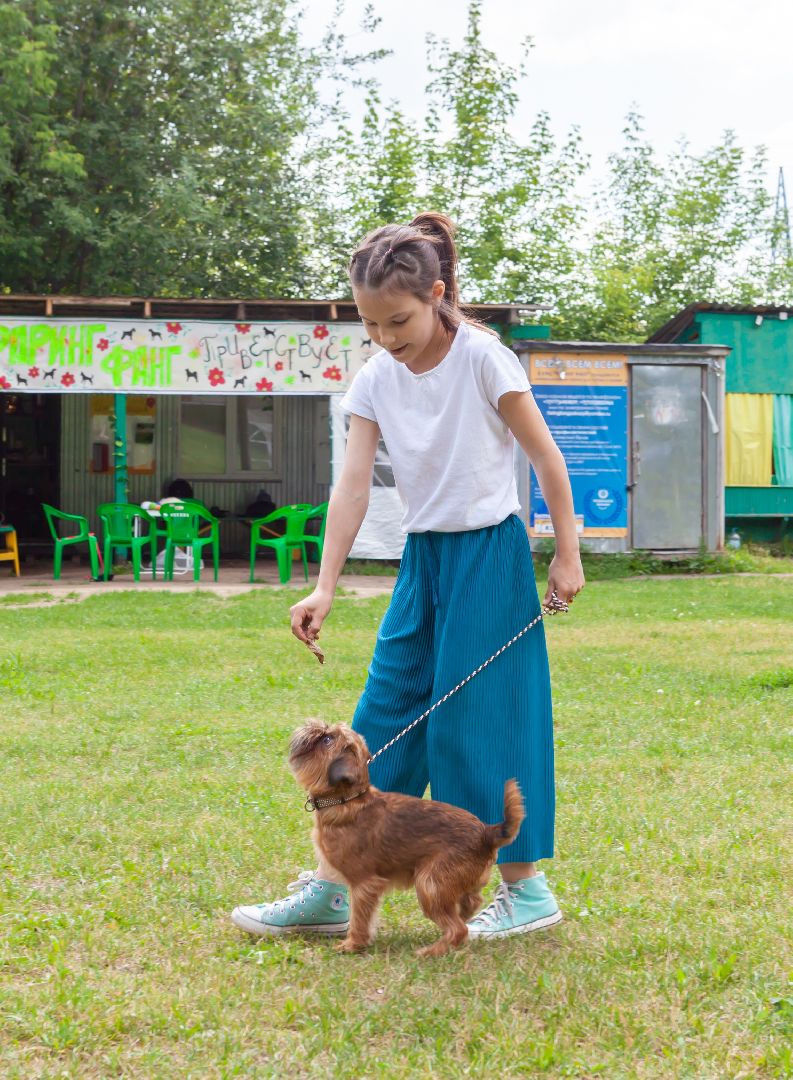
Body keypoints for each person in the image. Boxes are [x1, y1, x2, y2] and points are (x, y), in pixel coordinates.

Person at [231, 212, 584, 941]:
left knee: (476, 722)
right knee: (380, 716)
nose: (387, 338)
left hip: (488, 554)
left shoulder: (485, 358)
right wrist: (323, 585)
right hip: (421, 558)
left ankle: (525, 891)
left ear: (437, 293)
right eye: (370, 325)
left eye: (398, 320)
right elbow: (352, 486)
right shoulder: (375, 377)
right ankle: (336, 888)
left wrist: (567, 551)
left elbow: (546, 458)